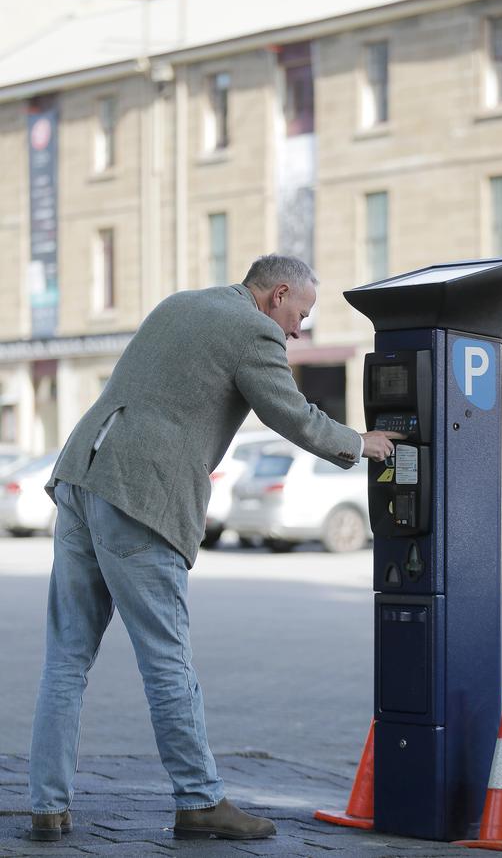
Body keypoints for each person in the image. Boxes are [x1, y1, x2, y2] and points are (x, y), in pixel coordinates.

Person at [29, 254, 399, 843]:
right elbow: (291, 414)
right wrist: (361, 441)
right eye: (300, 314)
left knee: (66, 659)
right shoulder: (251, 328)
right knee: (167, 660)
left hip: (82, 476)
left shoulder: (182, 303)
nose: (298, 330)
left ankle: (47, 806)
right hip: (139, 497)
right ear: (277, 295)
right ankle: (200, 802)